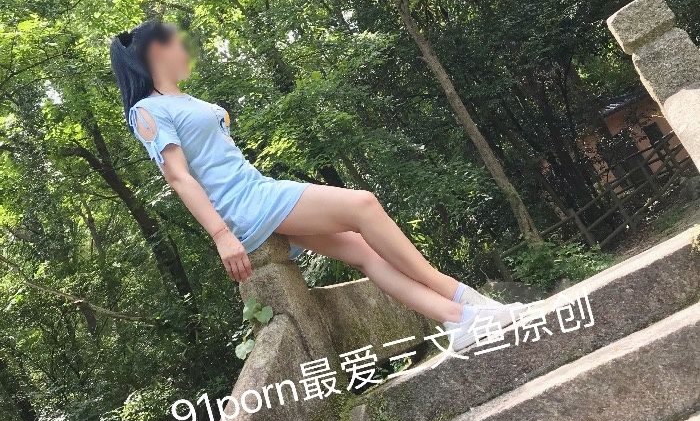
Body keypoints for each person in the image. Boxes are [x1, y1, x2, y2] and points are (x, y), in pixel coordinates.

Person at [110, 19, 522, 351]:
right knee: (363, 204)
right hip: (246, 204)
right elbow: (178, 176)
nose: (185, 48)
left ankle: (459, 320)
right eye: (175, 41)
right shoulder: (147, 111)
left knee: (362, 252)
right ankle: (462, 297)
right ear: (155, 52)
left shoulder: (185, 100)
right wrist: (220, 234)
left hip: (258, 190)